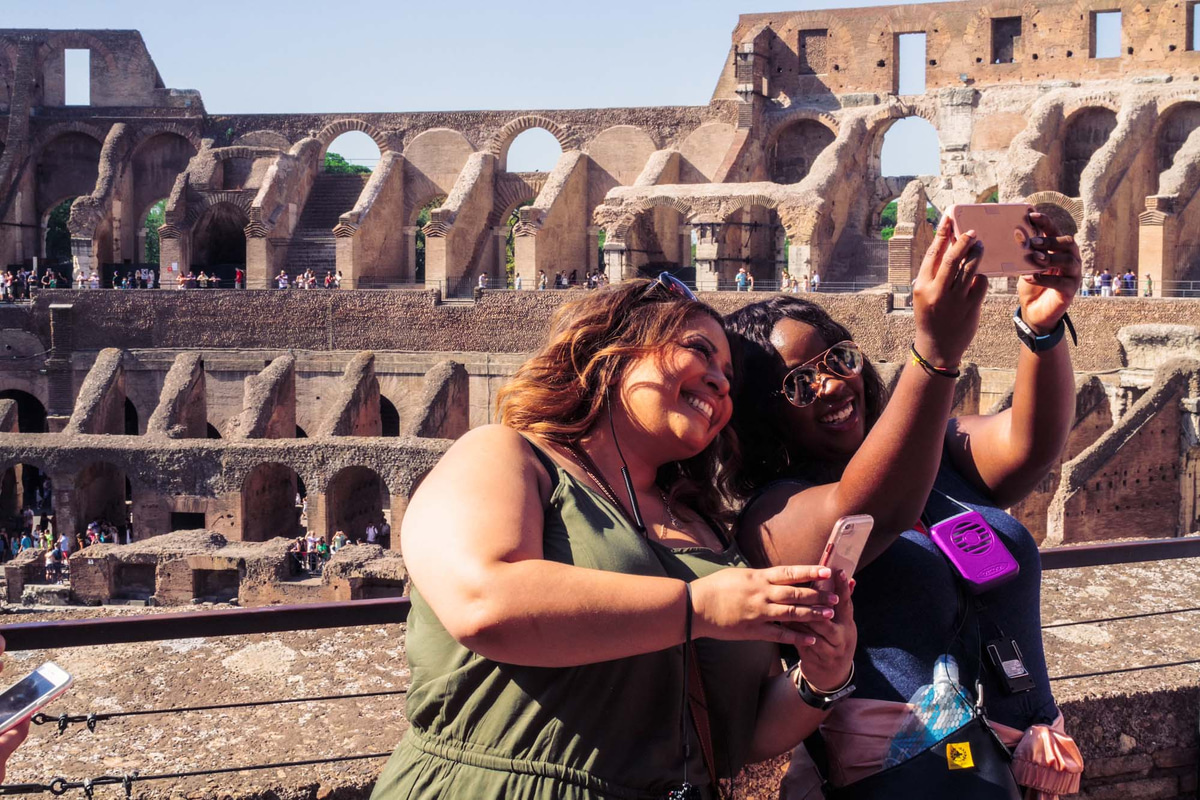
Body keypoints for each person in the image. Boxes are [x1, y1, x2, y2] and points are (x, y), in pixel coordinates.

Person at [370, 277, 856, 799]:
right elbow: (483, 602)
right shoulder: (506, 456)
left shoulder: (709, 528)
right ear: (611, 351)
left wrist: (821, 676)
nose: (719, 383)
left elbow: (739, 733)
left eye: (728, 378)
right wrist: (699, 606)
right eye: (699, 352)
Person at [725, 213, 1084, 797]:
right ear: (761, 416)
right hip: (903, 782)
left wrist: (1040, 331)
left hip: (1013, 775)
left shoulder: (937, 452)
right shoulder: (771, 518)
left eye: (837, 358)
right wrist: (935, 352)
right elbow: (873, 512)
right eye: (797, 385)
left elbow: (1029, 446)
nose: (832, 385)